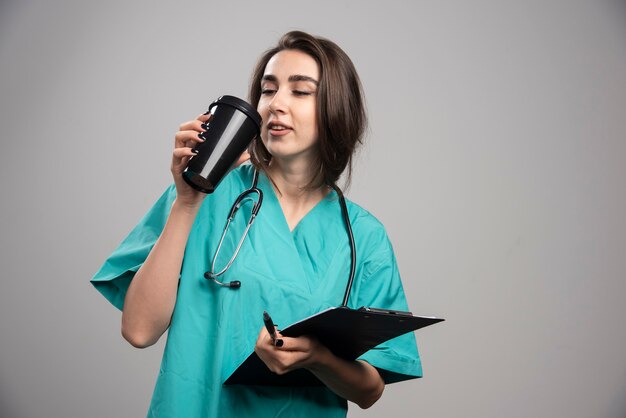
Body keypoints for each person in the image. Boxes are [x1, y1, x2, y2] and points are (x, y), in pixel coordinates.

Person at [92, 30, 422, 418]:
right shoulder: (205, 192)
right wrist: (186, 201)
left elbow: (369, 391)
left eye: (300, 92)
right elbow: (139, 330)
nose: (275, 104)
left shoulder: (364, 237)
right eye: (268, 90)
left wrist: (317, 358)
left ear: (337, 109)